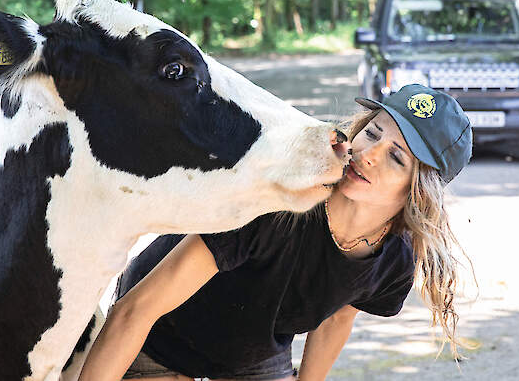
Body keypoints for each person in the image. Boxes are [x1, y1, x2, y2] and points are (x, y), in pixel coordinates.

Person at [79, 84, 473, 381]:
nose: (367, 154)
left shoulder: (394, 258)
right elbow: (137, 311)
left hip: (252, 354)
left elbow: (336, 320)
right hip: (163, 334)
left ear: (418, 191)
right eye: (372, 133)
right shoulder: (280, 204)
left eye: (396, 157)